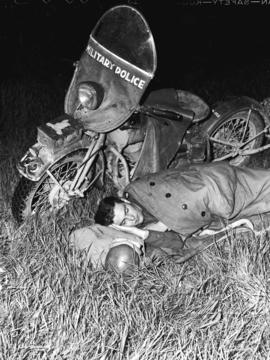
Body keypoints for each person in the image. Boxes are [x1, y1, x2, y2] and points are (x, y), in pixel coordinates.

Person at [94, 161, 270, 240]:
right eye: (124, 222)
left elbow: (183, 192)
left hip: (212, 184)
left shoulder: (142, 189)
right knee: (262, 201)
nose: (131, 219)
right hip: (215, 210)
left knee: (261, 184)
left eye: (126, 212)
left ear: (123, 201)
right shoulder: (142, 227)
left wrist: (165, 223)